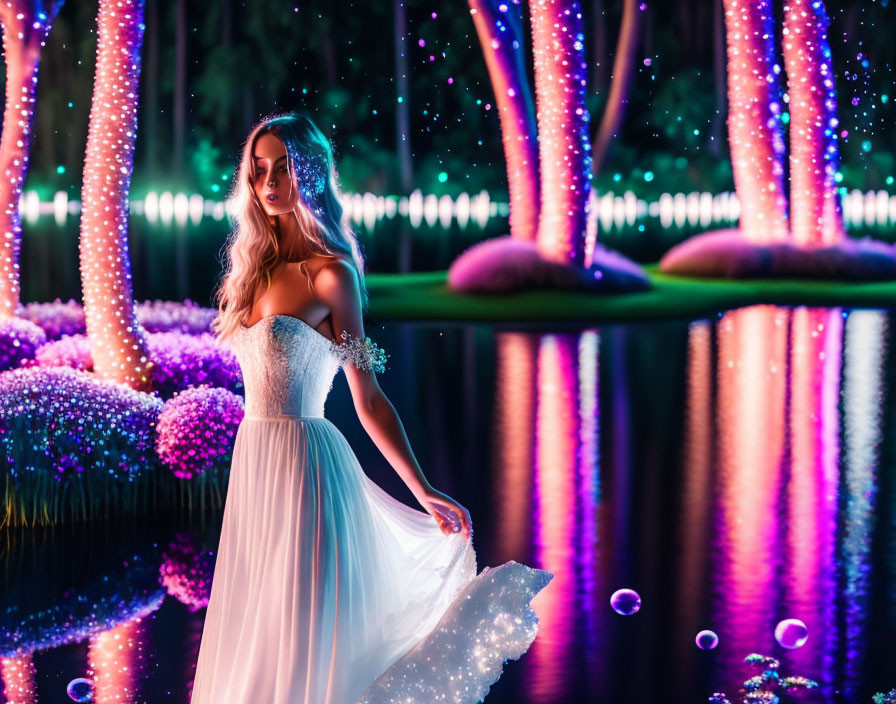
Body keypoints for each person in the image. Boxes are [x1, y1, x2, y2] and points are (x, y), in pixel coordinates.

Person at [190, 112, 552, 704]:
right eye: (259, 170)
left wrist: (422, 488)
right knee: (260, 622)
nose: (270, 181)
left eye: (284, 166)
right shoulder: (251, 274)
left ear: (311, 170)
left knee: (304, 621)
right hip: (254, 462)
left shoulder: (333, 276)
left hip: (308, 466)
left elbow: (369, 394)